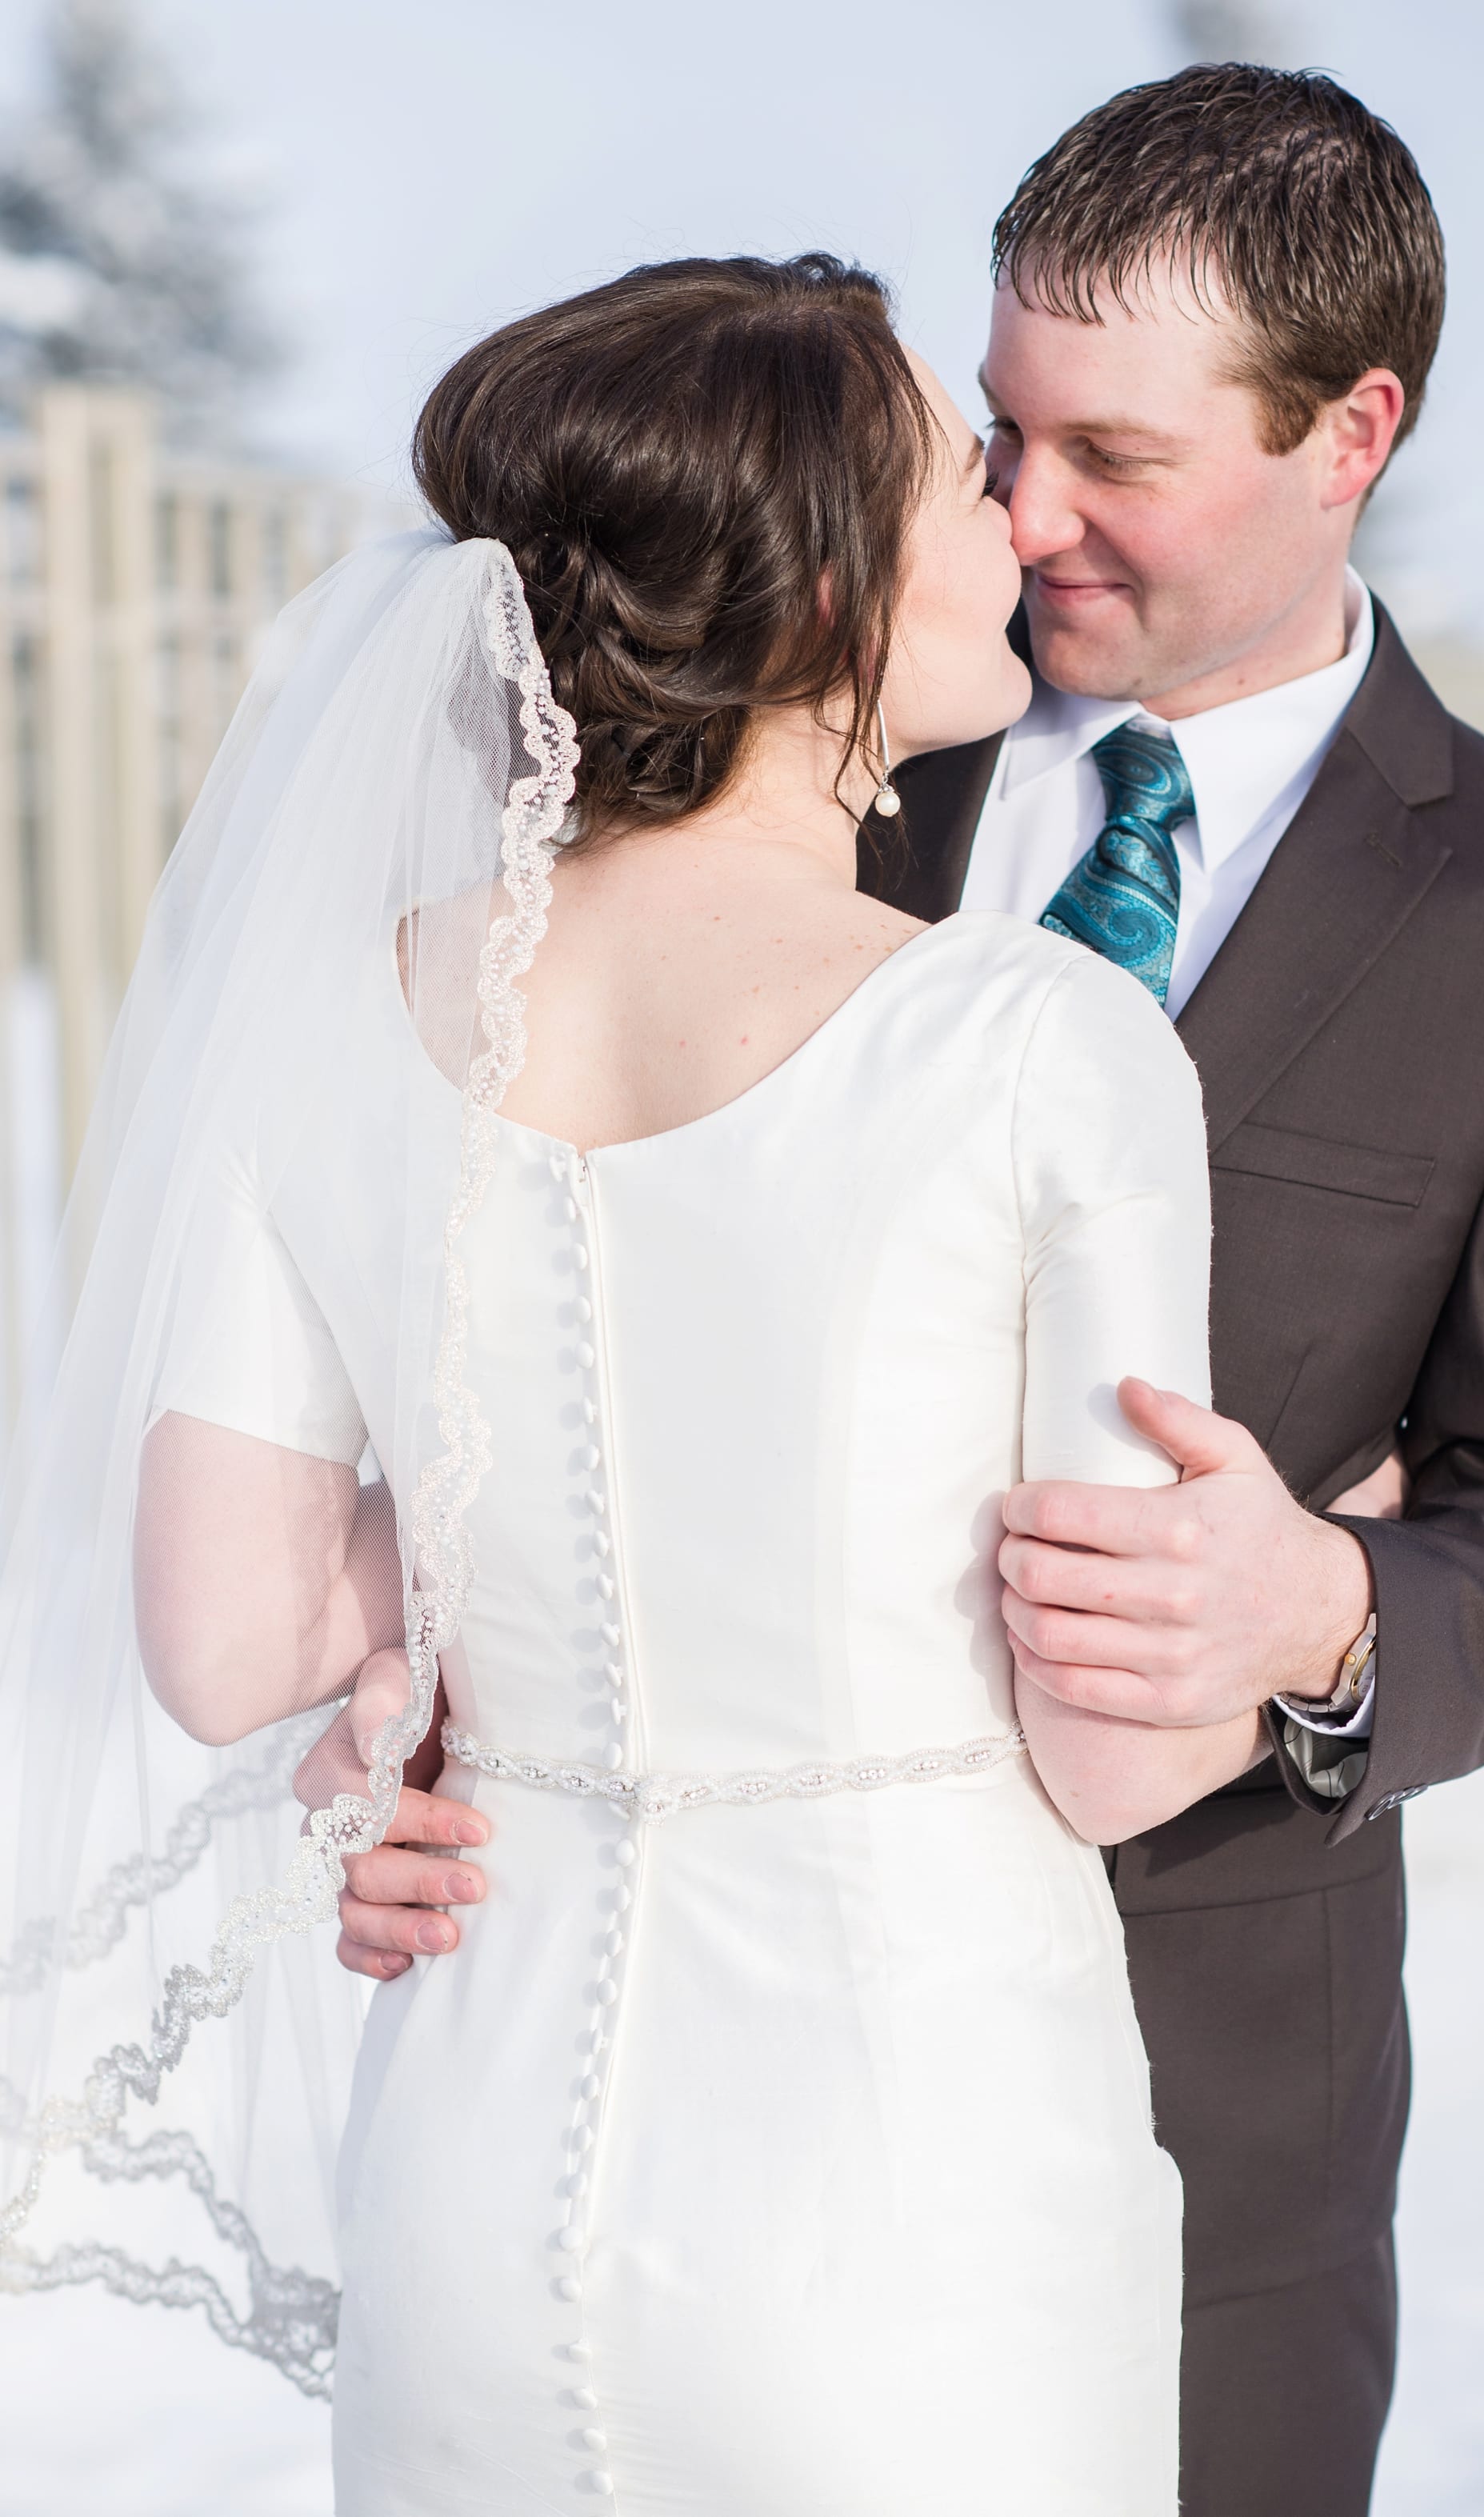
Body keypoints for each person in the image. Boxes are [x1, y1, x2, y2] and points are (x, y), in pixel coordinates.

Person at [336, 69, 1484, 2517]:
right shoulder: (805, 748)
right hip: (644, 2085)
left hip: (1206, 2103)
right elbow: (503, 1345)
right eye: (1000, 431)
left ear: (1347, 431)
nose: (1024, 517)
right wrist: (399, 1697)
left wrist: (1325, 1603)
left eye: (1120, 459)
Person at [30, 254, 1261, 2513]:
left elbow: (223, 1637)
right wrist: (1285, 1581)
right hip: (915, 2207)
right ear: (818, 585)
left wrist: (457, 1576)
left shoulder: (324, 1012)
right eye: (951, 479)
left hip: (477, 2187)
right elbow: (1107, 1747)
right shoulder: (1028, 1036)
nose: (1009, 520)